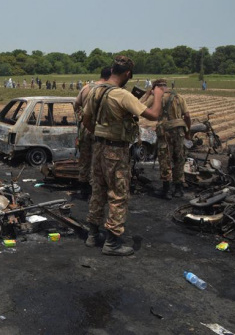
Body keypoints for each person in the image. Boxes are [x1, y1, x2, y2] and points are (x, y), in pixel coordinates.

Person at [82, 56, 164, 256]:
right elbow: (153, 115)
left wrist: (100, 134)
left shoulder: (95, 91)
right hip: (116, 150)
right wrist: (159, 95)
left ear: (112, 70)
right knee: (119, 194)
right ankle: (112, 242)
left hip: (99, 147)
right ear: (127, 74)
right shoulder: (122, 95)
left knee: (98, 190)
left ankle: (92, 235)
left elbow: (85, 118)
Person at [144, 79, 191, 199]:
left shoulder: (156, 97)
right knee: (179, 158)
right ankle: (178, 189)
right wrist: (187, 132)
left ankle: (166, 190)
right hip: (179, 130)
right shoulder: (178, 96)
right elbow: (187, 116)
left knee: (165, 158)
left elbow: (142, 109)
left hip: (164, 131)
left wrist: (147, 95)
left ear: (156, 87)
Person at [74, 67, 112, 199]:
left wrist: (82, 116)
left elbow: (76, 105)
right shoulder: (109, 90)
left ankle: (83, 190)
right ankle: (97, 191)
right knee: (100, 161)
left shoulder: (86, 88)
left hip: (85, 127)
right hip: (100, 129)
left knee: (84, 159)